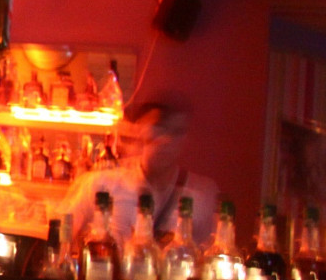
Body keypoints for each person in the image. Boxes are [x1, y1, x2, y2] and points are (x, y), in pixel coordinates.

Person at [60, 95, 219, 247]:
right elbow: (60, 235)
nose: (166, 139)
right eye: (160, 127)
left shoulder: (202, 195)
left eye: (176, 132)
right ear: (141, 130)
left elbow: (212, 254)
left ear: (185, 139)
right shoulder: (100, 184)